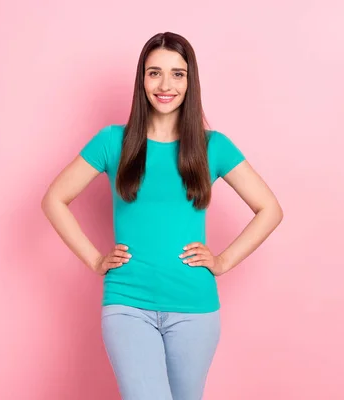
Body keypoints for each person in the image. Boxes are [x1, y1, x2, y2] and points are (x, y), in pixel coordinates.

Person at [41, 31, 283, 400]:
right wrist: (94, 259)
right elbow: (55, 198)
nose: (165, 84)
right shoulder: (112, 142)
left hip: (195, 309)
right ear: (142, 79)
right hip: (127, 304)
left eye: (177, 73)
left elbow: (270, 209)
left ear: (190, 81)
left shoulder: (211, 146)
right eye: (154, 73)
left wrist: (222, 261)